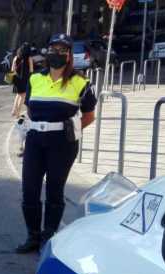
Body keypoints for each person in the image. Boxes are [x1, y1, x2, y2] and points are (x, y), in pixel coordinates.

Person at [16, 33, 97, 254]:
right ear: (47, 51)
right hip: (35, 141)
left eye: (63, 50)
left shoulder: (80, 82)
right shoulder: (35, 79)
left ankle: (48, 236)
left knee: (54, 190)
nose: (57, 54)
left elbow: (89, 116)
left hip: (62, 144)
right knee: (29, 189)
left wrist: (68, 130)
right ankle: (32, 236)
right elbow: (31, 108)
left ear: (69, 55)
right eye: (54, 49)